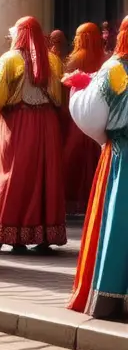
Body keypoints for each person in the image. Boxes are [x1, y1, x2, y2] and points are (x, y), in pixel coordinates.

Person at [0, 17, 66, 252]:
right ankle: (43, 235)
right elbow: (59, 97)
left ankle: (9, 232)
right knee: (44, 174)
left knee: (12, 173)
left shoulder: (11, 59)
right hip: (47, 123)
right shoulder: (53, 61)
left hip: (18, 122)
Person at [67, 18, 128, 319]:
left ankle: (112, 298)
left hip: (122, 155)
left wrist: (76, 93)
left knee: (120, 219)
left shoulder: (116, 68)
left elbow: (91, 117)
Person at [65, 23, 105, 215]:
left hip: (78, 116)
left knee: (75, 154)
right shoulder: (107, 59)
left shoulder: (74, 60)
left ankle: (75, 201)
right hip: (98, 116)